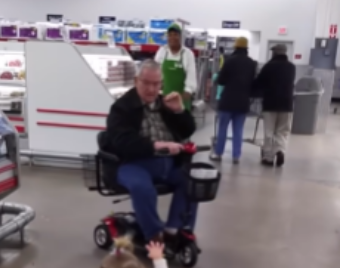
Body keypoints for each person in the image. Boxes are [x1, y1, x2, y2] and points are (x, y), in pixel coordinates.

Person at [104, 60, 197, 251]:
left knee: (192, 181)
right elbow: (122, 142)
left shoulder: (165, 104)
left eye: (156, 84)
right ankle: (154, 235)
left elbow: (189, 128)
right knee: (142, 188)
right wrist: (156, 145)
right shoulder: (121, 108)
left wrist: (180, 111)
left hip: (168, 163)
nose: (152, 89)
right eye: (146, 83)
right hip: (132, 164)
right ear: (136, 80)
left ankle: (174, 229)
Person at [212, 36, 257, 164]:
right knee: (238, 130)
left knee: (222, 128)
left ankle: (218, 153)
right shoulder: (251, 63)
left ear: (235, 47)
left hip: (227, 101)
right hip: (243, 102)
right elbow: (252, 82)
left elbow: (221, 80)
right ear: (246, 48)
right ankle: (236, 156)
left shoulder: (229, 61)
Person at [253, 44, 296, 167]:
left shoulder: (269, 66)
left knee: (269, 131)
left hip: (270, 103)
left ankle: (268, 157)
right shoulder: (292, 67)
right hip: (287, 104)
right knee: (282, 131)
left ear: (275, 53)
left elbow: (259, 82)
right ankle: (280, 150)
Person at [154, 23, 198, 111]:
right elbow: (155, 74)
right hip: (164, 101)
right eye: (170, 35)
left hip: (182, 102)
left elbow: (191, 81)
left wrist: (181, 98)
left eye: (175, 35)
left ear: (180, 37)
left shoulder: (187, 54)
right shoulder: (162, 52)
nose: (172, 38)